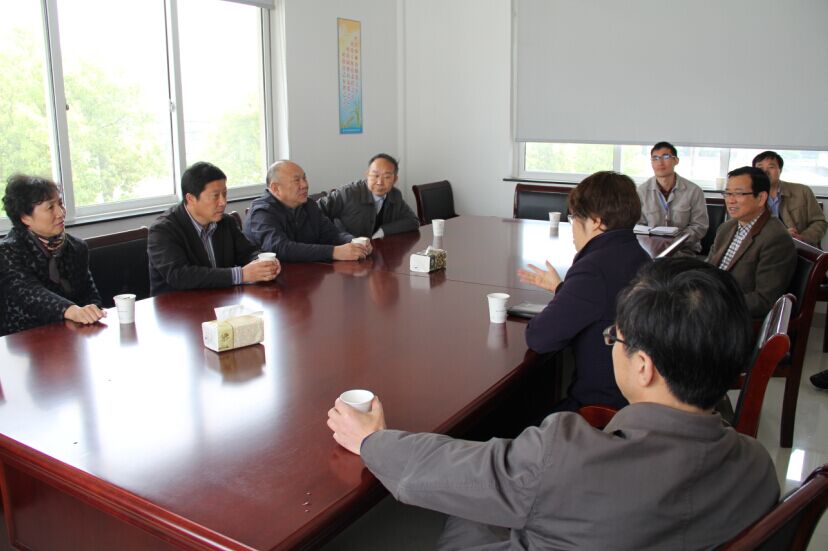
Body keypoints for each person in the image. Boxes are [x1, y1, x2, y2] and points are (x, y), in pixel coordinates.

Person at [327, 258, 779, 550]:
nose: (611, 345)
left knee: (466, 511)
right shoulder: (758, 467)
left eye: (615, 338)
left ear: (644, 366)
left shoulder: (569, 456)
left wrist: (373, 441)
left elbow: (450, 471)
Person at [517, 171, 650, 411]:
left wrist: (569, 290)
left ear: (596, 221)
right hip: (635, 400)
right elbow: (604, 304)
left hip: (600, 410)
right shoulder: (640, 256)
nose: (573, 228)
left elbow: (540, 337)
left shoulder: (594, 269)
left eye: (574, 217)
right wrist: (562, 288)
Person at [147, 162, 280, 296]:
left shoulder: (226, 222)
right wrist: (241, 274)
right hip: (177, 305)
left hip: (220, 300)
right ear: (191, 198)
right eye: (215, 196)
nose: (223, 202)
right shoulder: (163, 230)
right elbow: (180, 276)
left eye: (224, 194)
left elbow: (247, 252)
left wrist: (264, 262)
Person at [0, 174, 105, 336]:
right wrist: (72, 310)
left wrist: (91, 311)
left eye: (60, 204)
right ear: (25, 217)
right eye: (50, 207)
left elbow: (90, 295)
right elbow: (30, 294)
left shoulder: (77, 247)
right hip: (25, 339)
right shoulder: (8, 251)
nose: (61, 213)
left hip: (72, 335)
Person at [707, 166, 795, 317]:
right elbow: (709, 267)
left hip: (732, 314)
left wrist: (715, 303)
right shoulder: (726, 228)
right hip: (712, 295)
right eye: (728, 193)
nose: (730, 200)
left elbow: (764, 300)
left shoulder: (775, 238)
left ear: (761, 198)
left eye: (739, 194)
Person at [243, 160, 371, 262]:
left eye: (304, 178)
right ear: (275, 188)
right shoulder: (261, 212)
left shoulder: (308, 205)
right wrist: (333, 252)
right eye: (297, 180)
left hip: (308, 274)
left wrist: (354, 242)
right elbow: (280, 248)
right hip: (272, 281)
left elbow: (332, 234)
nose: (304, 185)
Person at [318, 153, 419, 239]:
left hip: (379, 251)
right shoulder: (348, 193)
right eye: (375, 175)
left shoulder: (395, 195)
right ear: (367, 175)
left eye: (387, 177)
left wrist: (383, 231)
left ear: (395, 180)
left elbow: (413, 221)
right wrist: (341, 235)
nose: (380, 182)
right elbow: (316, 211)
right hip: (347, 250)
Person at [637, 141, 708, 254]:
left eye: (665, 157)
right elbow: (638, 225)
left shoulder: (694, 191)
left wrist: (675, 241)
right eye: (655, 158)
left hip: (684, 250)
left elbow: (700, 226)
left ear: (676, 161)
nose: (660, 162)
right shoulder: (641, 191)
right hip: (651, 250)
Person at [753, 150, 827, 246]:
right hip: (764, 248)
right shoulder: (748, 196)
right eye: (760, 168)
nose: (765, 172)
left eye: (771, 167)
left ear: (780, 170)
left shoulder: (803, 191)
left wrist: (802, 238)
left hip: (798, 248)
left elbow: (819, 222)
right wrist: (780, 235)